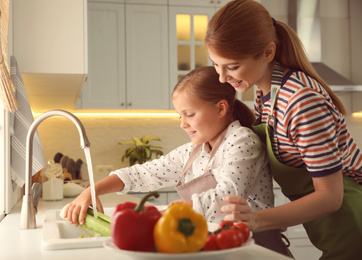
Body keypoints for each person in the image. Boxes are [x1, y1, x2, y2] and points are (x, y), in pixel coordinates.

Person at [204, 0, 362, 259]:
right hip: (334, 228)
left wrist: (255, 220)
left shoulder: (301, 101)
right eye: (215, 64)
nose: (222, 77)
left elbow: (331, 197)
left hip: (352, 222)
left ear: (268, 53)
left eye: (232, 66)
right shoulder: (265, 90)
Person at [64, 66, 274, 228]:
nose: (183, 124)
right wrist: (92, 191)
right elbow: (143, 174)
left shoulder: (243, 141)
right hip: (218, 247)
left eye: (189, 115)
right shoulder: (195, 151)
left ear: (221, 108)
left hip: (254, 248)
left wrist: (174, 211)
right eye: (180, 116)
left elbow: (227, 197)